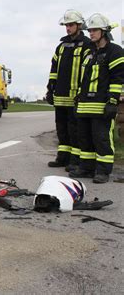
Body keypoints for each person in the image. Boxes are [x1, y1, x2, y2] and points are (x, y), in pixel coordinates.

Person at [70, 13, 123, 184]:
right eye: (90, 30)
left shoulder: (115, 51)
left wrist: (112, 102)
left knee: (101, 139)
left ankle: (103, 171)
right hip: (85, 105)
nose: (91, 33)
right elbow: (84, 78)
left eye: (94, 30)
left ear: (104, 31)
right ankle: (87, 168)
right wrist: (79, 96)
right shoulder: (90, 53)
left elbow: (117, 78)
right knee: (84, 138)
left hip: (102, 106)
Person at [46, 10, 92, 172]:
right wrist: (50, 89)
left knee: (75, 130)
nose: (68, 28)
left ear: (79, 25)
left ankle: (75, 160)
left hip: (76, 97)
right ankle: (63, 157)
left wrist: (83, 92)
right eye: (66, 25)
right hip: (60, 96)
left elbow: (88, 72)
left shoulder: (87, 44)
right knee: (62, 128)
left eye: (71, 25)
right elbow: (54, 69)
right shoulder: (61, 46)